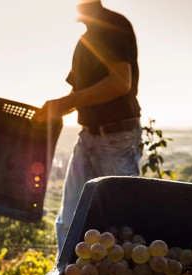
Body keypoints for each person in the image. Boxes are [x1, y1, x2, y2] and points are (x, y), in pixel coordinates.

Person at [34, 0, 142, 253]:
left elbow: (120, 82)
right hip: (88, 137)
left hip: (117, 138)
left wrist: (65, 102)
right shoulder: (85, 41)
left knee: (121, 225)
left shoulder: (112, 24)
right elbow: (79, 93)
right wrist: (57, 108)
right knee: (69, 219)